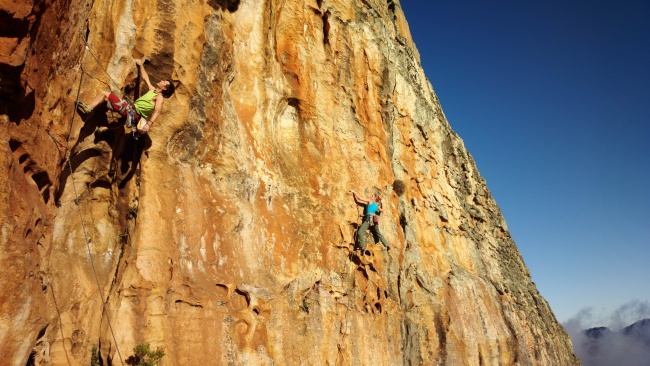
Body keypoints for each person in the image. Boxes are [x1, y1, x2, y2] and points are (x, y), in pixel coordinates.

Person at [76, 58, 175, 134]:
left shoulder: (160, 98)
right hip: (134, 116)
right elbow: (146, 78)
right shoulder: (153, 91)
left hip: (131, 111)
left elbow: (157, 111)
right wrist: (141, 65)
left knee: (104, 93)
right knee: (122, 122)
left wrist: (149, 124)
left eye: (164, 82)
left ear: (164, 88)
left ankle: (89, 108)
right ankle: (104, 128)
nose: (162, 80)